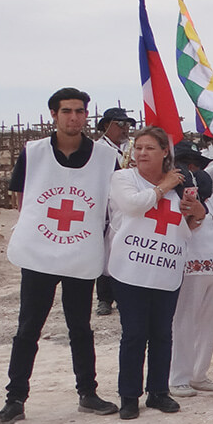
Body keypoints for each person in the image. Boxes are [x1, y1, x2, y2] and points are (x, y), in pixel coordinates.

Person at [0, 87, 120, 424]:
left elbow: (114, 203)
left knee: (80, 326)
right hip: (40, 254)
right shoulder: (33, 152)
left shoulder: (107, 158)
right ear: (54, 114)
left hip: (80, 252)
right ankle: (15, 399)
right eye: (67, 111)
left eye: (80, 111)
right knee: (28, 328)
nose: (74, 117)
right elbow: (24, 199)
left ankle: (87, 393)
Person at [106, 127, 203, 419]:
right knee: (134, 334)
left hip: (165, 267)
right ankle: (128, 395)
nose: (141, 153)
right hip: (131, 269)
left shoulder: (177, 187)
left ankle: (159, 392)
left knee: (162, 333)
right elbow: (133, 206)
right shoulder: (123, 178)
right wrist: (163, 186)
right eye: (138, 148)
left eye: (149, 148)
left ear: (164, 153)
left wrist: (196, 211)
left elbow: (187, 226)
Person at [168, 141, 213, 399]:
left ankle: (199, 373)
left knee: (207, 324)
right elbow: (188, 226)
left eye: (195, 165)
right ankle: (178, 376)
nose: (192, 170)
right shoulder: (176, 197)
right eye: (186, 164)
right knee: (184, 322)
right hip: (191, 268)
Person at [93, 107, 138, 316]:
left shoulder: (133, 147)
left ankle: (123, 294)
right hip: (104, 205)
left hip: (125, 205)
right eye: (120, 124)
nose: (125, 129)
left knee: (123, 248)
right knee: (104, 250)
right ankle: (104, 297)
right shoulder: (98, 150)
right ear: (106, 125)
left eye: (127, 125)